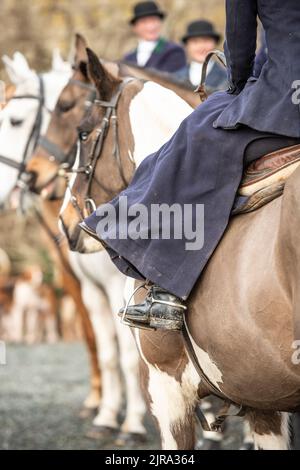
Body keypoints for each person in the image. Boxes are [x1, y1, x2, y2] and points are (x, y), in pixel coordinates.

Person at [81, 0, 300, 331]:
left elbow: (241, 40)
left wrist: (239, 88)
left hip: (284, 102)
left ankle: (166, 288)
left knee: (196, 134)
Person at [123, 1, 186, 73]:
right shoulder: (128, 58)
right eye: (144, 22)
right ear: (135, 27)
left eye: (154, 20)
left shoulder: (174, 51)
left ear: (160, 23)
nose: (151, 26)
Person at [175, 20, 228, 92]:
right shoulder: (176, 77)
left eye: (206, 41)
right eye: (195, 41)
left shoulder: (226, 79)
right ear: (187, 45)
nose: (201, 47)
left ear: (215, 44)